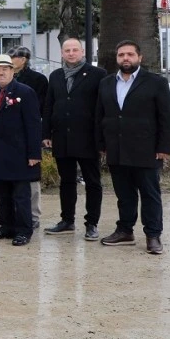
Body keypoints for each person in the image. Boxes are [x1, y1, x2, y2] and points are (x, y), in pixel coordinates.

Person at [96, 40, 170, 255]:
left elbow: (166, 118)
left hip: (146, 150)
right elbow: (100, 116)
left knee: (150, 194)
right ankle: (125, 231)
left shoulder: (156, 82)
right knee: (124, 194)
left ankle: (153, 235)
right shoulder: (107, 83)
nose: (125, 58)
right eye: (121, 55)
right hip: (116, 149)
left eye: (130, 54)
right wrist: (101, 144)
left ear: (140, 58)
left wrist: (164, 147)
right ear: (117, 58)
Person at [42, 38, 105, 240]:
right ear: (62, 53)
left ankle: (92, 223)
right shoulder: (56, 76)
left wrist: (101, 137)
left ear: (83, 51)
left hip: (88, 138)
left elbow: (102, 107)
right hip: (62, 137)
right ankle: (67, 220)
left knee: (93, 182)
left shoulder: (98, 74)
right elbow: (49, 105)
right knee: (67, 181)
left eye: (74, 50)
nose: (71, 53)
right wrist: (46, 134)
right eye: (67, 50)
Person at [0, 54, 42, 246]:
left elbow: (33, 124)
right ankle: (6, 227)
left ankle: (24, 231)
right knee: (1, 194)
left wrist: (34, 153)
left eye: (5, 69)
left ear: (12, 70)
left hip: (20, 154)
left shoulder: (25, 92)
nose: (1, 72)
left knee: (21, 196)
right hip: (0, 153)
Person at [8, 46, 48, 229]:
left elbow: (42, 108)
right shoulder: (7, 78)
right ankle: (12, 213)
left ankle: (33, 216)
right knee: (11, 176)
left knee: (31, 177)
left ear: (23, 59)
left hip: (29, 133)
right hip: (10, 136)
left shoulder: (37, 80)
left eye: (13, 56)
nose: (10, 59)